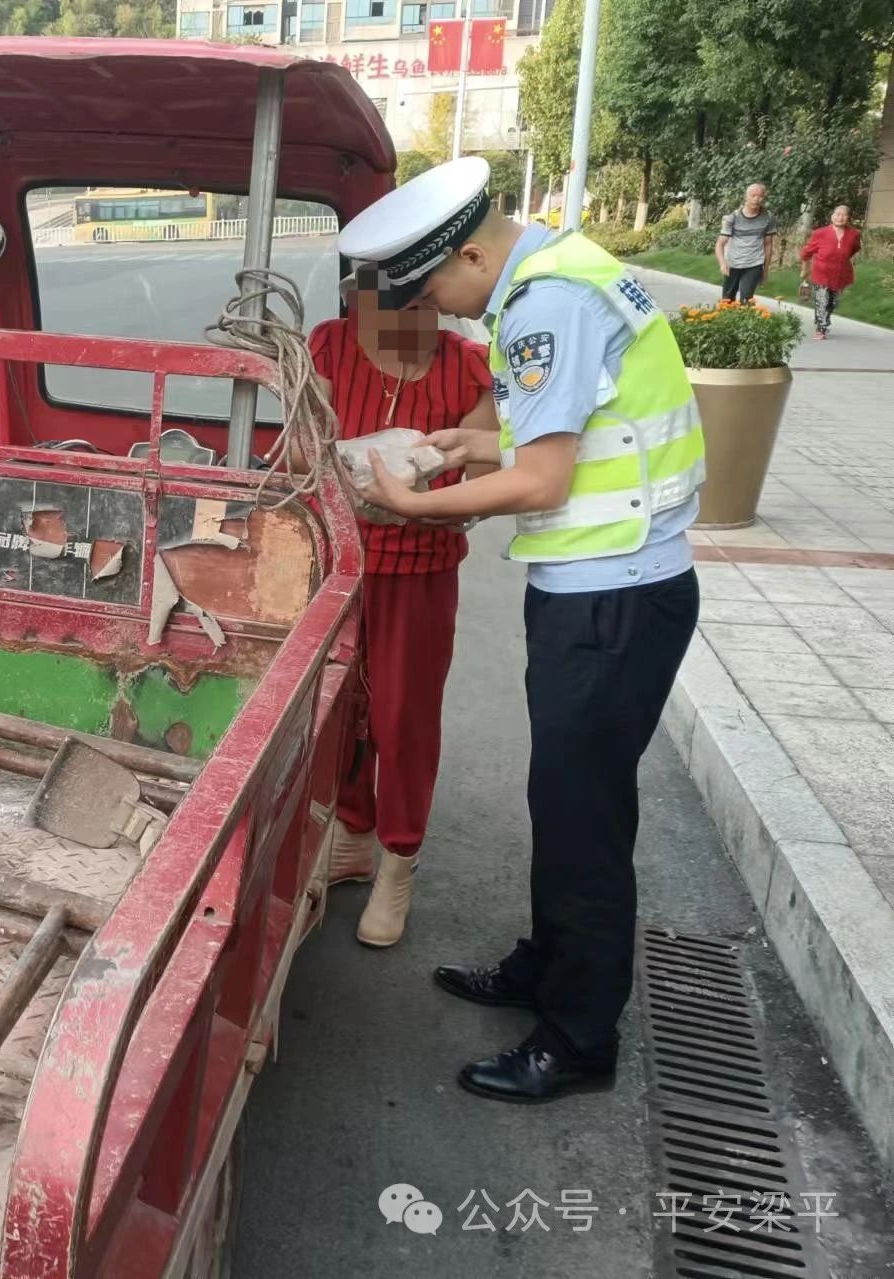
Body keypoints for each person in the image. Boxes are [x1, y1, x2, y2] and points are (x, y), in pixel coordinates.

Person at [340, 156, 704, 1104]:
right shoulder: (564, 270)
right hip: (609, 585)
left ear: (468, 253)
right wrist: (464, 442)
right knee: (564, 799)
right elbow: (564, 431)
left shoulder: (544, 305)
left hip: (610, 595)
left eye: (439, 292)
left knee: (586, 823)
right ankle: (547, 967)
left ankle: (578, 1039)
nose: (445, 314)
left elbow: (542, 481)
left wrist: (410, 503)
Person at [309, 264, 499, 948]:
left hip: (418, 570)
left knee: (403, 714)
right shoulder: (328, 348)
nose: (398, 323)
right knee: (338, 709)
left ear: (433, 302)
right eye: (375, 306)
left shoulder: (468, 371)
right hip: (336, 566)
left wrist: (425, 507)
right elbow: (307, 453)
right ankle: (353, 832)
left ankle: (398, 859)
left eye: (420, 303)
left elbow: (480, 486)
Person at [799, 205, 862, 340]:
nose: (840, 217)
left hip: (840, 273)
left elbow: (854, 248)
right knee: (822, 299)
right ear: (832, 216)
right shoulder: (820, 233)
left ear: (848, 218)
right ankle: (821, 328)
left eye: (844, 215)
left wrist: (842, 257)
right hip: (821, 272)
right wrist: (804, 268)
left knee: (833, 302)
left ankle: (825, 320)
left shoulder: (854, 234)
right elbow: (806, 252)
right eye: (837, 214)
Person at [716, 184, 777, 302]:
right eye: (753, 195)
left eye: (760, 196)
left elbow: (768, 245)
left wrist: (766, 270)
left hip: (754, 263)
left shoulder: (769, 217)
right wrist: (722, 263)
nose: (756, 199)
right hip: (733, 263)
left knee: (746, 300)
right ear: (746, 197)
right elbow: (720, 244)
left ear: (764, 198)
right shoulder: (733, 218)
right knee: (727, 300)